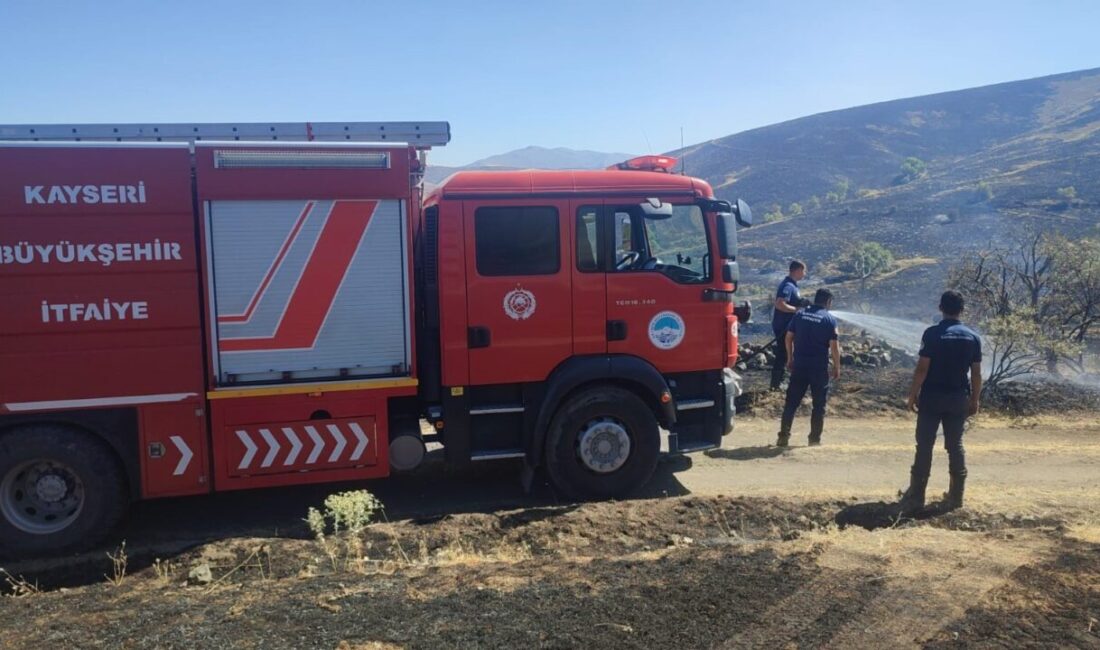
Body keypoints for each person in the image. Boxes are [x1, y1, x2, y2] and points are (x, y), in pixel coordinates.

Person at [900, 290, 982, 515]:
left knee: (924, 445)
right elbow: (976, 374)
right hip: (958, 398)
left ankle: (916, 496)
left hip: (932, 398)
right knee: (955, 445)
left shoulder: (932, 334)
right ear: (962, 310)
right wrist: (975, 399)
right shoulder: (973, 337)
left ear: (940, 308)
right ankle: (956, 497)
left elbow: (922, 368)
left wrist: (912, 394)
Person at [776, 288, 840, 447]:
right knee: (818, 406)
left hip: (799, 366)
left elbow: (788, 337)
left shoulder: (800, 314)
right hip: (819, 368)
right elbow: (834, 347)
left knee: (791, 403)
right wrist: (837, 367)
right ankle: (814, 440)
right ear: (828, 302)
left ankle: (783, 437)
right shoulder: (829, 319)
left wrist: (790, 358)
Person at [770, 260, 809, 390]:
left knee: (786, 353)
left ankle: (781, 381)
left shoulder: (793, 286)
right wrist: (797, 309)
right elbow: (779, 304)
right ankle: (776, 384)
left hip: (788, 326)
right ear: (797, 270)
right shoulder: (788, 286)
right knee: (783, 353)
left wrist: (800, 303)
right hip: (783, 326)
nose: (804, 274)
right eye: (803, 271)